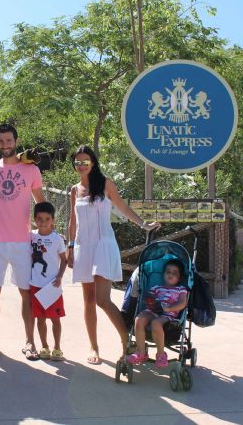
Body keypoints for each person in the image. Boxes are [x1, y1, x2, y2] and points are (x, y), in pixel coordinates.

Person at [67, 145, 160, 365]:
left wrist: (143, 224)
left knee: (102, 300)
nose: (81, 165)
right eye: (77, 162)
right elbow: (72, 221)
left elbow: (122, 207)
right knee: (88, 300)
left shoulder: (106, 184)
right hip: (83, 247)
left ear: (93, 162)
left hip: (103, 246)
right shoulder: (74, 190)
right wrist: (70, 247)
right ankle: (94, 347)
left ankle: (127, 343)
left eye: (85, 161)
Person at [0, 123, 45, 360]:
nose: (5, 145)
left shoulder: (31, 170)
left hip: (22, 241)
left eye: (9, 140)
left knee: (26, 292)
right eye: (0, 141)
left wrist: (47, 232)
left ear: (16, 141)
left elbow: (40, 202)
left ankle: (30, 341)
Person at [127, 259, 187, 368]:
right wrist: (150, 301)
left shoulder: (180, 289)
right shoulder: (157, 288)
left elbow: (183, 303)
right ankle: (141, 352)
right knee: (138, 319)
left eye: (174, 273)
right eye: (168, 271)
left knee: (156, 323)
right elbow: (149, 298)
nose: (170, 274)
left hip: (169, 315)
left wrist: (169, 308)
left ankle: (161, 355)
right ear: (163, 274)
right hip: (154, 311)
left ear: (180, 277)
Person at [30, 202, 67, 361]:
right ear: (34, 219)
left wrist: (59, 277)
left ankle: (57, 348)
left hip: (52, 287)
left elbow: (64, 261)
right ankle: (44, 346)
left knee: (55, 319)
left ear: (53, 220)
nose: (43, 222)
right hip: (35, 286)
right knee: (40, 318)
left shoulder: (57, 239)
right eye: (39, 218)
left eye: (47, 219)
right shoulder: (30, 236)